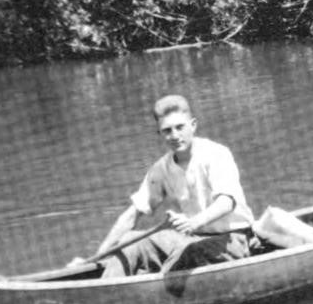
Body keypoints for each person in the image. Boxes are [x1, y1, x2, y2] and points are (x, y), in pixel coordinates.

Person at [73, 94, 256, 277]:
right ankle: (107, 288)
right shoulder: (160, 169)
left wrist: (193, 222)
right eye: (167, 131)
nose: (175, 136)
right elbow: (131, 215)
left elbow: (226, 202)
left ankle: (154, 290)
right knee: (131, 240)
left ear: (193, 125)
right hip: (192, 239)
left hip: (234, 239)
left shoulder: (216, 154)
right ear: (159, 134)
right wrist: (97, 257)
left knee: (187, 252)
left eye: (180, 127)